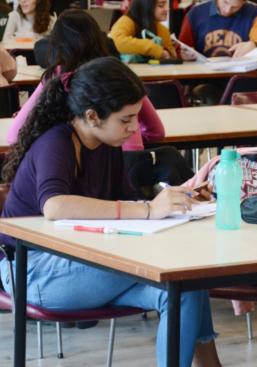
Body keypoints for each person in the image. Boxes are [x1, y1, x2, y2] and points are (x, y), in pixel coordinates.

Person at [0, 56, 221, 367]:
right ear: (92, 116)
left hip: (81, 262)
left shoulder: (108, 143)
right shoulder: (57, 142)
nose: (133, 129)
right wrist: (148, 209)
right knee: (181, 271)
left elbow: (127, 200)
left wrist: (180, 200)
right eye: (126, 119)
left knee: (184, 287)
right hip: (32, 272)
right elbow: (55, 206)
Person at [6, 9, 165, 151]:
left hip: (77, 169)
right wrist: (122, 141)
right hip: (129, 163)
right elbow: (156, 131)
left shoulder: (59, 76)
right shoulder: (120, 74)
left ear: (56, 45)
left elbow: (14, 137)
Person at [178, 0, 257, 60]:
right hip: (204, 77)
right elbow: (180, 48)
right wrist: (183, 54)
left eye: (235, 7)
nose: (228, 10)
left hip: (241, 76)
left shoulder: (255, 13)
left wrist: (254, 45)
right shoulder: (195, 13)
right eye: (225, 2)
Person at [109, 0, 176, 60]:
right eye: (161, 5)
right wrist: (153, 49)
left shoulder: (163, 29)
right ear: (146, 6)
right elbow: (116, 42)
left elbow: (172, 57)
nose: (167, 9)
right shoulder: (127, 21)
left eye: (166, 5)